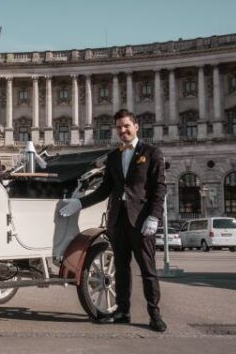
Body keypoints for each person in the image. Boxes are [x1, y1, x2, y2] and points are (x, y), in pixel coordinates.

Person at [58, 109, 168, 332]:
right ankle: (122, 312)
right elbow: (104, 190)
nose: (123, 130)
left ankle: (154, 314)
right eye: (119, 127)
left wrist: (154, 216)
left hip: (141, 221)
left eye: (126, 126)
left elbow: (159, 188)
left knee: (148, 270)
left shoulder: (152, 153)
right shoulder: (114, 156)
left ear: (136, 126)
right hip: (117, 220)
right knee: (121, 269)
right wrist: (79, 203)